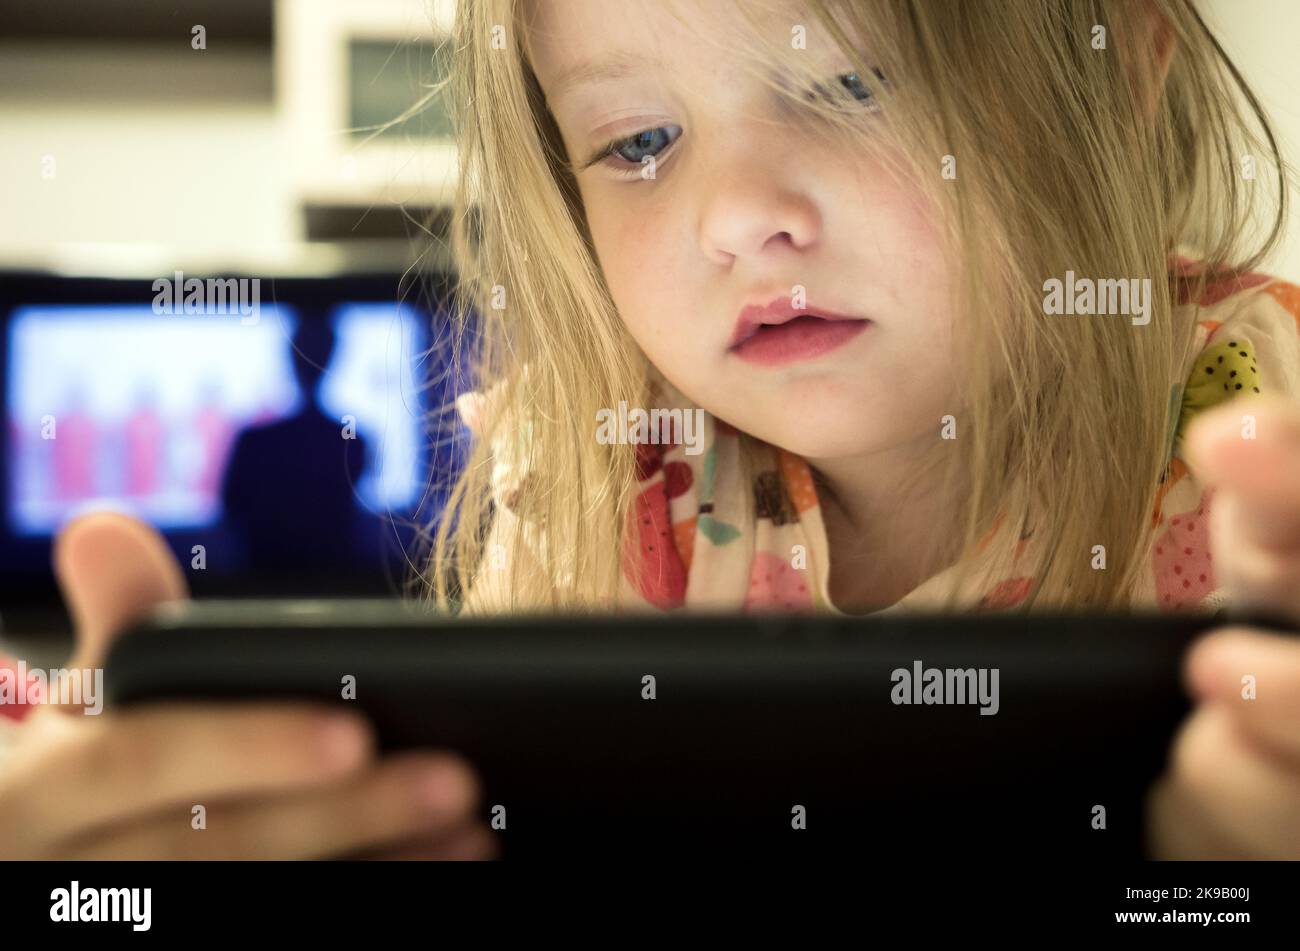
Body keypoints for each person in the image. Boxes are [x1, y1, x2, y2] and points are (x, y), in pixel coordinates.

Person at [2, 0, 1299, 860]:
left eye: (849, 83)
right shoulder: (612, 471)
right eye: (639, 141)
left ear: (1118, 63)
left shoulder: (1268, 425)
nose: (733, 215)